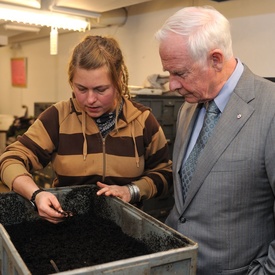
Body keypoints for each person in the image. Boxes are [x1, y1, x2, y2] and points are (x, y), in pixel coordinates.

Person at [0, 35, 172, 224]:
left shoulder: (143, 121)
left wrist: (132, 190)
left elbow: (165, 173)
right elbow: (10, 159)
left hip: (124, 229)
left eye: (100, 89)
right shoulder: (58, 118)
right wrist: (36, 194)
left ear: (119, 81)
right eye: (81, 89)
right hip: (68, 228)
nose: (90, 100)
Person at [155, 6, 275, 275]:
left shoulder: (270, 108)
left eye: (180, 73)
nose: (171, 85)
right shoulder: (190, 105)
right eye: (168, 73)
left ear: (216, 59)